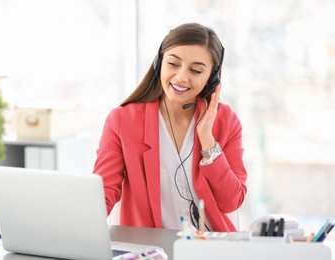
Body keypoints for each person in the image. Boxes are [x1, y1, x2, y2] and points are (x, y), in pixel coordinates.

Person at [93, 22, 247, 232]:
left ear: (212, 78)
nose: (181, 77)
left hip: (211, 247)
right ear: (159, 63)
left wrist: (207, 140)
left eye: (195, 70)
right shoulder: (123, 120)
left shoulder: (225, 120)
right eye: (173, 64)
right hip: (152, 249)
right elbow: (103, 193)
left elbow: (232, 201)